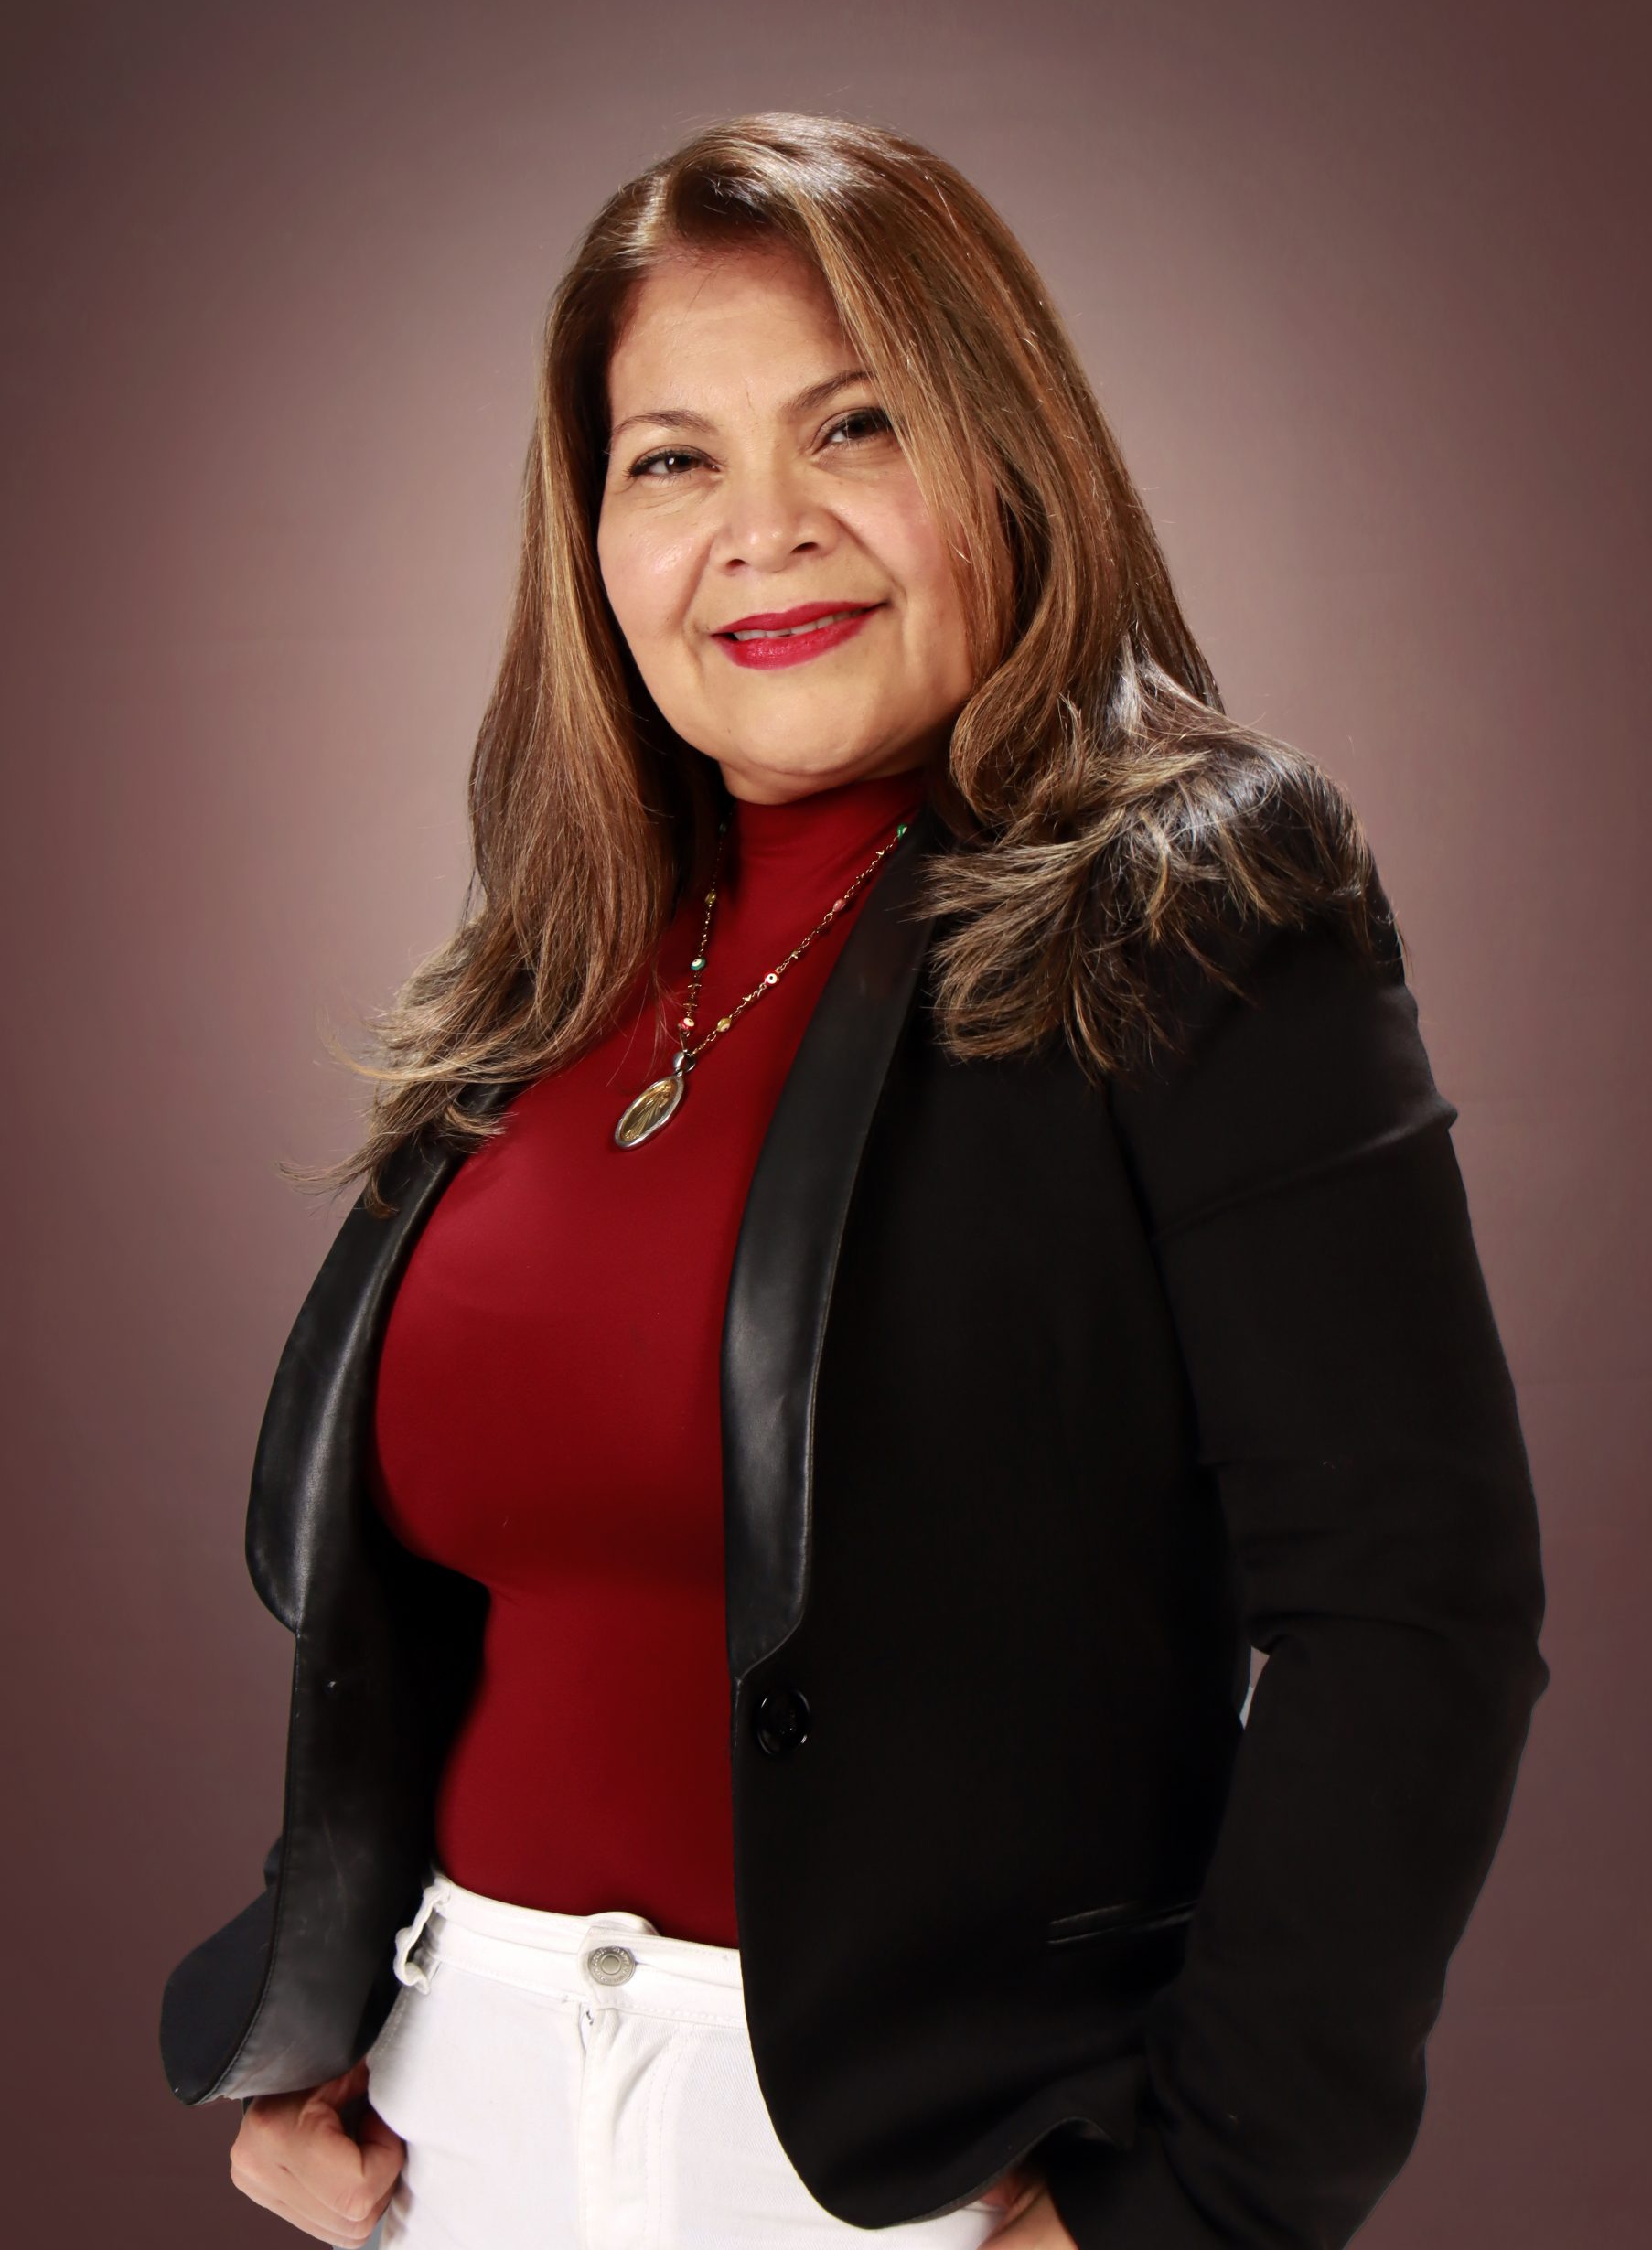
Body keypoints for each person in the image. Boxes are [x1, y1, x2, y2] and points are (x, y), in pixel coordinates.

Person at [158, 112, 1550, 2250]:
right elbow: (439, 1597)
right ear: (594, 536)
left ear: (1004, 455)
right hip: (455, 2127)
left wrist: (1205, 2199)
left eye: (855, 425)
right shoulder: (554, 968)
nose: (764, 531)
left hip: (914, 2170)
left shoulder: (1192, 894)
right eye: (673, 459)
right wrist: (309, 1994)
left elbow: (1414, 1602)